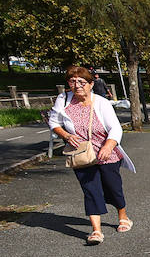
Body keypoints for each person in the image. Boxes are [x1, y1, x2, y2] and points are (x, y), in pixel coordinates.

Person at [48, 65, 135, 245]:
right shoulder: (63, 100)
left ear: (91, 83)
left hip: (106, 152)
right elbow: (53, 122)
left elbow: (115, 128)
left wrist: (109, 146)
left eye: (82, 81)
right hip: (81, 153)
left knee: (113, 187)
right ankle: (96, 231)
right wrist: (66, 135)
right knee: (90, 189)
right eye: (72, 81)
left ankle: (123, 216)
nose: (77, 85)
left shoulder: (101, 102)